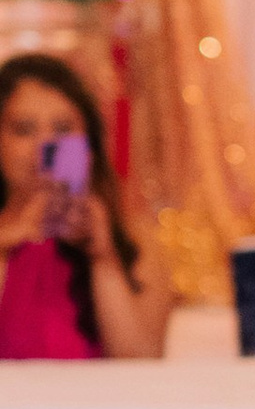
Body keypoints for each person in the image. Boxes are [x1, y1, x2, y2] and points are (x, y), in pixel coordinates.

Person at [0, 52, 171, 361]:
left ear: (89, 147)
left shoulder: (136, 244)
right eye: (24, 129)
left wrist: (104, 260)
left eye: (63, 129)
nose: (45, 145)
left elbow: (139, 365)